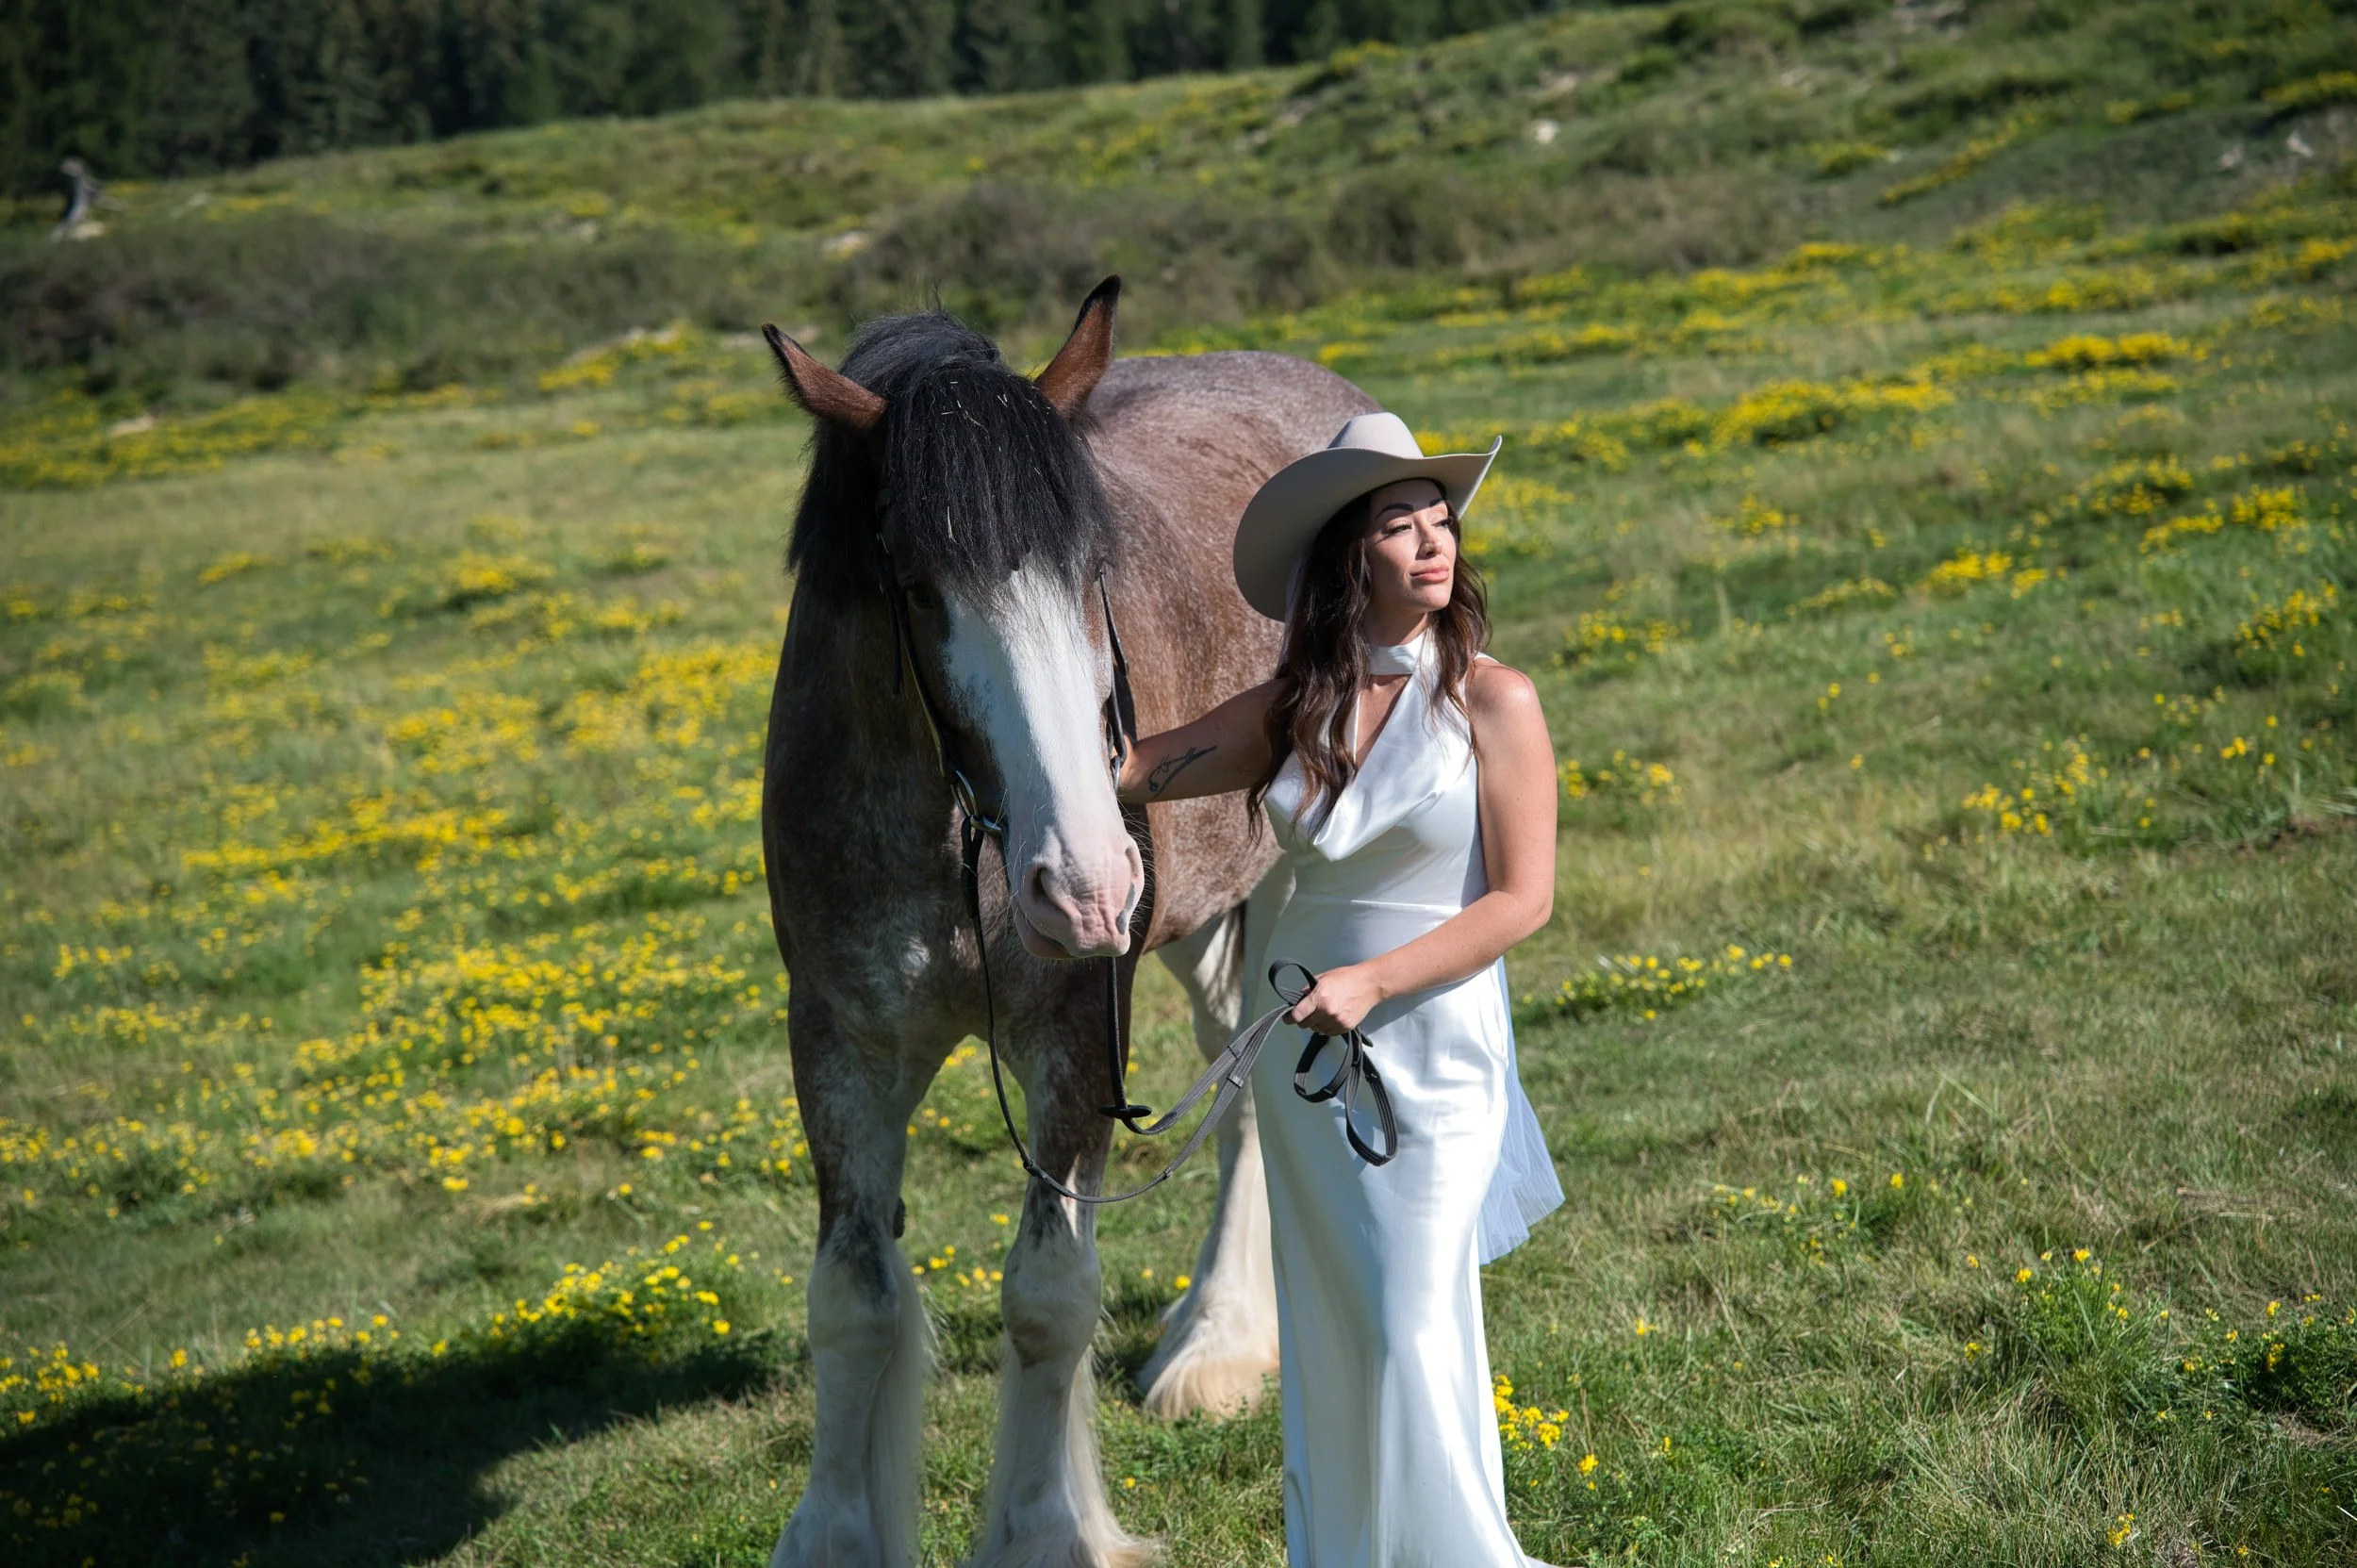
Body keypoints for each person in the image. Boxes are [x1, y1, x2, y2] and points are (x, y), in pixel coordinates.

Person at [1116, 410, 1564, 1568]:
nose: (1432, 543)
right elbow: (1138, 767)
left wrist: (1372, 979)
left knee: (1412, 1317)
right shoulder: (1295, 705)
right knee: (1333, 1328)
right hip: (1307, 1052)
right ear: (1344, 557)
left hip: (1434, 1038)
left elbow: (1522, 902)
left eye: (1439, 519)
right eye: (1397, 524)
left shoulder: (1494, 702)